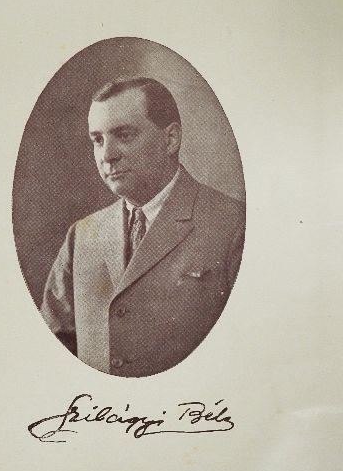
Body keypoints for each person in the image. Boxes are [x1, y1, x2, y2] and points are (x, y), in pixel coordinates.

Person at [40, 77, 245, 377]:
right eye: (97, 140)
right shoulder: (82, 236)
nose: (107, 155)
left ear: (170, 139)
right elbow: (51, 356)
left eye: (124, 135)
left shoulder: (233, 226)